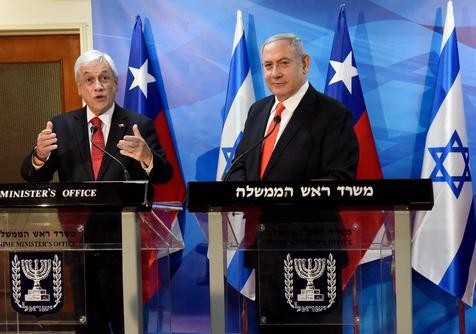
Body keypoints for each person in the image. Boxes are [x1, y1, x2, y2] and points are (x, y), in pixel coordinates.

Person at [21, 50, 172, 333]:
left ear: (115, 82)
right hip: (80, 242)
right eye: (89, 80)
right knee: (88, 323)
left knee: (127, 322)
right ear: (80, 88)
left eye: (104, 78)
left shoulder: (139, 124)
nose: (98, 86)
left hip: (125, 244)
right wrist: (39, 155)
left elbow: (164, 176)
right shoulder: (62, 126)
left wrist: (147, 157)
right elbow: (32, 176)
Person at [226, 34, 359, 333]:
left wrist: (280, 196)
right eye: (268, 65)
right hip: (265, 248)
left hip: (312, 250)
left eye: (284, 63)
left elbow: (339, 179)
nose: (275, 73)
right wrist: (237, 190)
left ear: (305, 63)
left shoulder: (332, 114)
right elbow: (239, 168)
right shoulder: (258, 111)